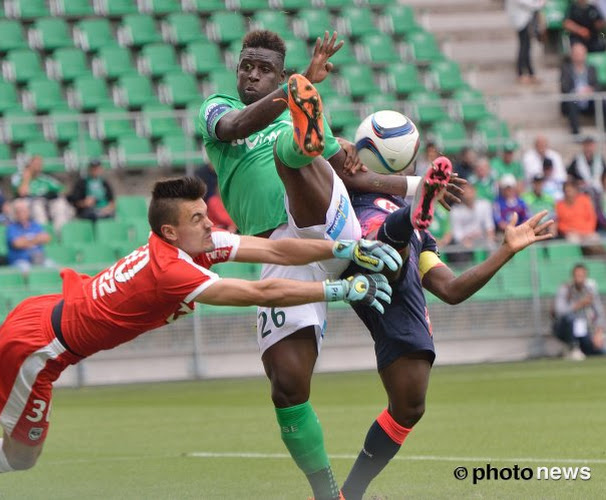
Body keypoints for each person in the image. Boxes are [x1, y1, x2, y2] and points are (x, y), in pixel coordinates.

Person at [0, 177, 398, 499]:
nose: (209, 222)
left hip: (43, 311)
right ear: (172, 232)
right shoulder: (174, 269)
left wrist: (344, 247)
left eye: (205, 213)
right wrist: (335, 286)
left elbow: (275, 253)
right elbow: (256, 290)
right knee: (21, 456)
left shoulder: (188, 242)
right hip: (42, 349)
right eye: (198, 218)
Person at [196, 29, 460, 500]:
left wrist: (420, 185)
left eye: (265, 70)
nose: (252, 74)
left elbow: (360, 174)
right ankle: (329, 494)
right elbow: (235, 128)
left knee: (295, 157)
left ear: (280, 73)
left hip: (326, 223)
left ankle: (382, 212)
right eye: (246, 66)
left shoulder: (290, 109)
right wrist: (292, 90)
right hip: (278, 250)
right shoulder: (216, 108)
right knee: (287, 386)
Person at [339, 168, 554, 499]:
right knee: (387, 257)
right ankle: (345, 495)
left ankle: (347, 495)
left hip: (402, 272)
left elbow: (450, 289)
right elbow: (328, 158)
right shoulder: (358, 204)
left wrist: (505, 250)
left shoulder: (423, 235)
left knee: (409, 408)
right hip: (380, 274)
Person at [553, 263, 605, 359]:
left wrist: (599, 333)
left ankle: (582, 349)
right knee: (571, 318)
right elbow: (559, 311)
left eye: (582, 275)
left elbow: (600, 313)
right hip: (565, 328)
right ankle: (572, 347)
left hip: (586, 329)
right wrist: (579, 304)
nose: (579, 278)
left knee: (600, 351)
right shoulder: (565, 289)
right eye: (577, 275)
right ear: (573, 276)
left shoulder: (590, 291)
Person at [11, 155, 69, 231]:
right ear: (29, 165)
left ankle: (60, 233)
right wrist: (26, 178)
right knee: (37, 206)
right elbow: (22, 193)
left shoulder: (44, 178)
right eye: (35, 164)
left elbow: (62, 189)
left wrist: (50, 194)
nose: (37, 167)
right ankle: (43, 232)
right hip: (28, 201)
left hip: (45, 201)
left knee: (60, 204)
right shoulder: (18, 177)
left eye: (39, 164)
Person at [560, 43, 605, 135]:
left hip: (589, 100)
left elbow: (598, 85)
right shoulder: (566, 68)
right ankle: (576, 134)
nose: (579, 56)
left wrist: (591, 90)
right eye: (576, 54)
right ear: (572, 55)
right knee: (572, 101)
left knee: (603, 101)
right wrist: (577, 92)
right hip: (574, 99)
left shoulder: (591, 68)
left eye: (581, 54)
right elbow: (564, 87)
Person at [555, 180, 604, 254]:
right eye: (566, 191)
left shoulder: (584, 200)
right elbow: (560, 223)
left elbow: (592, 218)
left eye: (570, 190)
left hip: (587, 232)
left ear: (576, 190)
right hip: (572, 234)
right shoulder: (559, 205)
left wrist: (586, 231)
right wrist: (571, 231)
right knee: (573, 241)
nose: (568, 193)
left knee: (594, 238)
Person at [6, 199, 52, 273]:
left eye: (24, 211)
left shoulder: (35, 225)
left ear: (28, 212)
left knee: (52, 267)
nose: (21, 214)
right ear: (15, 214)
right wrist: (36, 239)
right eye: (19, 211)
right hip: (20, 260)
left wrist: (25, 241)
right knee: (26, 269)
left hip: (39, 259)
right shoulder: (12, 228)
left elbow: (46, 238)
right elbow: (17, 244)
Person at [506, 0, 545, 84]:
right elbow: (526, 3)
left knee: (527, 46)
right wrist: (539, 4)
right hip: (520, 21)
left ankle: (531, 73)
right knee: (524, 47)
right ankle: (521, 73)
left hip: (524, 20)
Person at [450, 184, 496, 249]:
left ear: (474, 191)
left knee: (493, 246)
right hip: (464, 243)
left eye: (470, 192)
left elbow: (489, 226)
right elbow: (457, 234)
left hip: (483, 240)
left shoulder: (485, 204)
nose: (468, 196)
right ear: (461, 195)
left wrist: (490, 240)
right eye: (465, 193)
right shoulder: (455, 210)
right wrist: (466, 240)